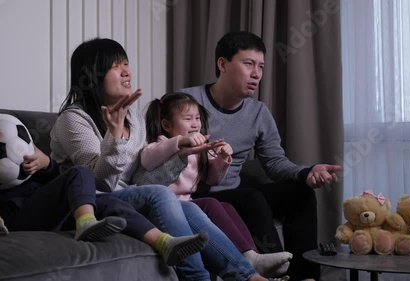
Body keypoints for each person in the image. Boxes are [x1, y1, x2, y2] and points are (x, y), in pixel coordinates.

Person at [50, 37, 288, 281]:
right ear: (92, 76)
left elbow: (142, 179)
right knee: (162, 195)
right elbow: (100, 183)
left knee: (189, 206)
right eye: (115, 66)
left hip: (127, 197)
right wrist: (115, 136)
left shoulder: (133, 117)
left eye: (126, 64)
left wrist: (182, 155)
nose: (127, 72)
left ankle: (249, 276)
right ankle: (197, 277)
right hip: (88, 204)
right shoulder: (73, 120)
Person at [0, 108, 209, 267]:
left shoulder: (15, 153)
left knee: (107, 201)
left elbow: (49, 184)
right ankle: (86, 222)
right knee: (79, 172)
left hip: (45, 211)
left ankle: (164, 242)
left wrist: (46, 164)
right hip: (16, 219)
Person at [179, 31, 343, 281]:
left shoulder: (258, 113)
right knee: (252, 195)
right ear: (222, 64)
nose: (256, 74)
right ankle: (279, 275)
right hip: (197, 195)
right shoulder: (186, 103)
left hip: (234, 195)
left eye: (261, 66)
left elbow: (275, 163)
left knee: (300, 193)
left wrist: (306, 172)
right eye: (248, 64)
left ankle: (306, 277)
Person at [133, 92, 293, 278]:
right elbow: (147, 158)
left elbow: (212, 179)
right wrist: (180, 142)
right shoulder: (162, 143)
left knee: (225, 206)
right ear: (167, 125)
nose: (195, 124)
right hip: (168, 206)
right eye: (188, 119)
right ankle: (249, 260)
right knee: (210, 203)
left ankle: (250, 254)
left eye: (197, 118)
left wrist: (224, 159)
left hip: (187, 202)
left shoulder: (201, 149)